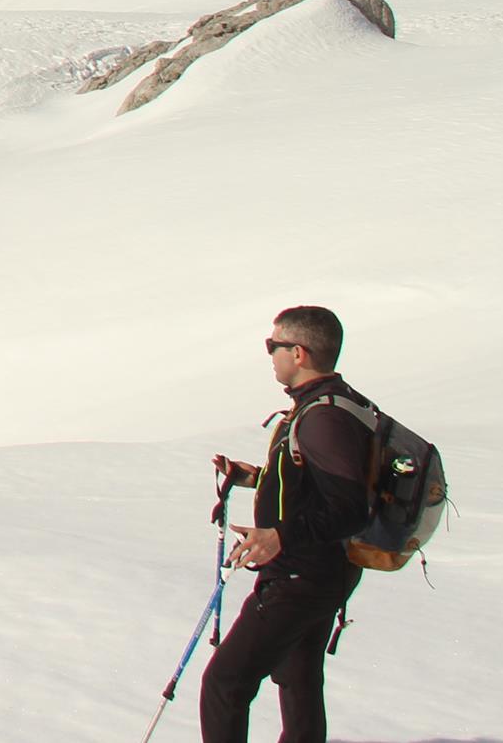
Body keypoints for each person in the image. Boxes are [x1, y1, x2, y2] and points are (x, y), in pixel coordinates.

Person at [201, 306, 374, 743]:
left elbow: (350, 506)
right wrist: (255, 478)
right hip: (322, 571)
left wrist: (279, 535)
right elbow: (318, 486)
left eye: (272, 345)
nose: (270, 354)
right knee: (298, 681)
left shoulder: (323, 418)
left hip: (302, 576)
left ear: (299, 353)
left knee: (225, 684)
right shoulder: (328, 404)